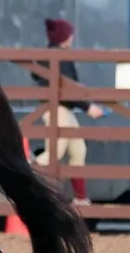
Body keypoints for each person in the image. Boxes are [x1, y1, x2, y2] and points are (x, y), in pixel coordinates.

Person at [31, 18, 104, 204]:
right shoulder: (59, 57)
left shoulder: (51, 55)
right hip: (58, 109)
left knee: (78, 150)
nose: (72, 37)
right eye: (69, 34)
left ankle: (80, 198)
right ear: (64, 37)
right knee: (56, 151)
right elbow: (67, 88)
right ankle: (27, 176)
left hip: (63, 109)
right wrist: (88, 107)